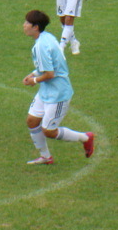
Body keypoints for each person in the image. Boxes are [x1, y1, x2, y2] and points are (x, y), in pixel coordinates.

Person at [22, 10, 94, 165]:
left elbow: (50, 74)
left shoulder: (41, 46)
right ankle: (46, 157)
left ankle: (85, 138)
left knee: (49, 131)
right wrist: (33, 73)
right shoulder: (47, 37)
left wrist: (34, 80)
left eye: (27, 23)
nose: (24, 25)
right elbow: (50, 64)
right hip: (46, 91)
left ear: (35, 27)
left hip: (58, 94)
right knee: (32, 121)